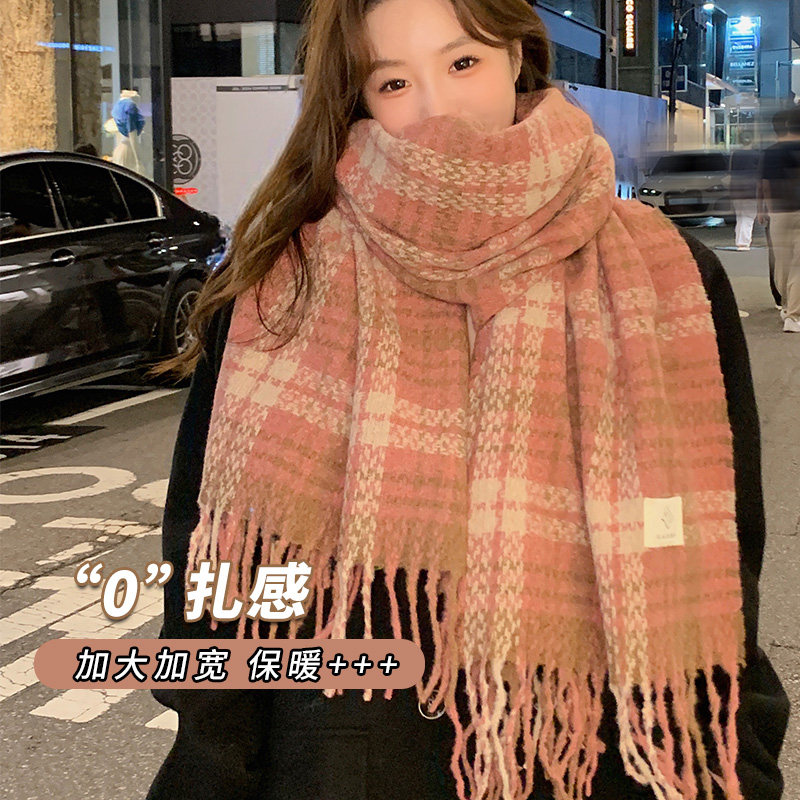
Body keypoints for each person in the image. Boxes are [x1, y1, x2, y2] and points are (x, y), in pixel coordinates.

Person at [146, 0, 789, 798]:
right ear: (357, 97)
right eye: (393, 82)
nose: (438, 108)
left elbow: (726, 562)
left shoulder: (670, 277)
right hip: (351, 766)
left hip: (605, 758)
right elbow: (211, 580)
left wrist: (739, 763)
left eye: (463, 63)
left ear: (516, 56)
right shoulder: (286, 283)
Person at [759, 105, 800, 333]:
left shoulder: (772, 152)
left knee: (782, 263)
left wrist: (770, 209)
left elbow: (765, 185)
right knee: (798, 266)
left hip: (780, 213)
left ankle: (786, 305)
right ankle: (794, 315)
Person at [728, 132, 760, 250]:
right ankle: (743, 243)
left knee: (740, 216)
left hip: (737, 189)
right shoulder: (757, 155)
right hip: (751, 190)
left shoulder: (735, 154)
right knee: (748, 217)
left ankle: (740, 241)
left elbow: (731, 172)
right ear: (753, 140)